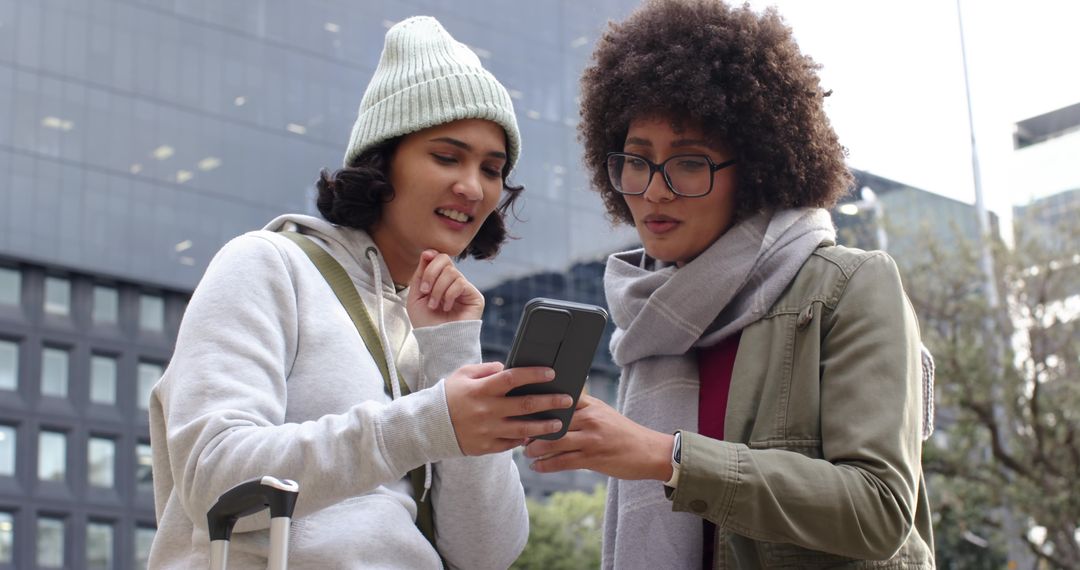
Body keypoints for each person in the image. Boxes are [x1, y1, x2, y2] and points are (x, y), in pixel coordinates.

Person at [524, 1, 936, 568]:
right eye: (636, 161)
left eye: (689, 162)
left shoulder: (849, 286)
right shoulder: (651, 318)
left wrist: (665, 457)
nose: (654, 191)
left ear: (757, 168)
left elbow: (879, 509)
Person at [149, 16, 571, 569]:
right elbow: (215, 479)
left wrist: (452, 351)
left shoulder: (430, 327)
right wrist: (425, 423)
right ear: (382, 160)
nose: (472, 186)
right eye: (447, 156)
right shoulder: (267, 264)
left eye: (492, 169)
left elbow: (486, 552)